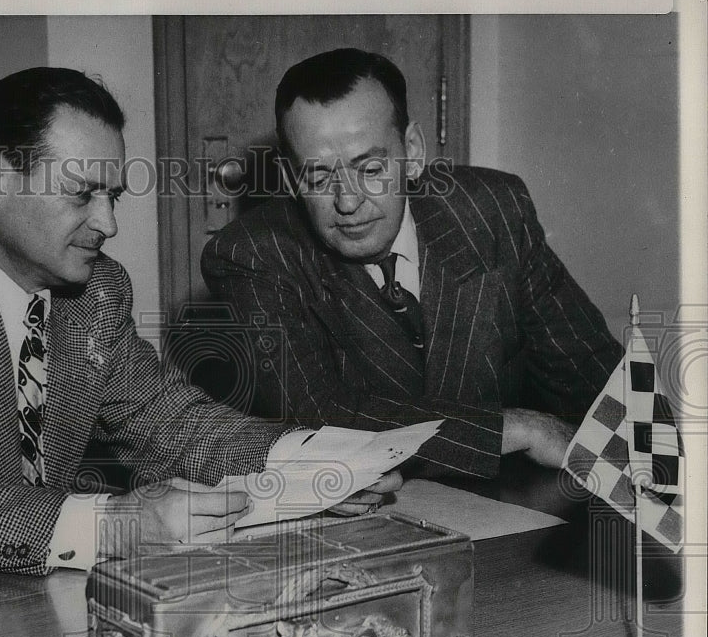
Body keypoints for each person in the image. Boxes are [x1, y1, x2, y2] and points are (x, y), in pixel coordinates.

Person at [0, 67, 399, 574]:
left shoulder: (97, 290)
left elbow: (170, 422)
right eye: (82, 194)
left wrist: (314, 464)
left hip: (16, 579)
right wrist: (115, 525)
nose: (108, 223)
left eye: (113, 195)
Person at [202, 48, 623, 479]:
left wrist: (656, 466)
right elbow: (319, 420)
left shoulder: (492, 212)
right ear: (292, 180)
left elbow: (594, 374)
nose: (347, 202)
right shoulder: (251, 255)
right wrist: (516, 429)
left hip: (505, 501)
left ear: (413, 151)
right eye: (319, 176)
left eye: (370, 168)